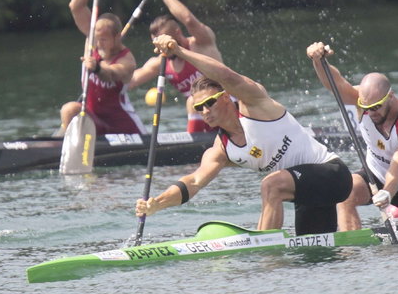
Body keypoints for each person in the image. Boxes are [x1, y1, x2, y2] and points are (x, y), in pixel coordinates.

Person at [135, 35, 352, 235]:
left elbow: (226, 75)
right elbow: (194, 182)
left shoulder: (254, 104)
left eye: (210, 102)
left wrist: (179, 51)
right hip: (308, 195)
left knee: (270, 185)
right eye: (199, 107)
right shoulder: (221, 148)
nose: (205, 111)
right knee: (314, 257)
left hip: (334, 174)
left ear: (226, 96)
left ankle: (264, 254)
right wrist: (158, 203)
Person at [306, 42, 398, 230]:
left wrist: (387, 193)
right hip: (374, 176)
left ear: (391, 96)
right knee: (344, 194)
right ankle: (351, 250)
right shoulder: (361, 102)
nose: (371, 113)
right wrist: (318, 60)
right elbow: (335, 83)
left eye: (376, 107)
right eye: (367, 108)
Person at [58, 0, 146, 136]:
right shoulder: (92, 40)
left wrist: (97, 67)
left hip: (122, 125)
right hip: (93, 119)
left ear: (117, 36)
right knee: (69, 109)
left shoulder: (126, 59)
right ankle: (69, 148)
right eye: (97, 38)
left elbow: (112, 74)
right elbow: (76, 7)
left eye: (104, 39)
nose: (98, 43)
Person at [128, 0, 222, 133]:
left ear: (177, 33)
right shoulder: (160, 62)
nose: (160, 47)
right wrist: (99, 69)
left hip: (228, 106)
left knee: (192, 101)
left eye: (163, 41)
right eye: (156, 43)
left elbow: (188, 20)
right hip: (204, 117)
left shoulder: (201, 44)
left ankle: (192, 145)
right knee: (194, 102)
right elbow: (128, 81)